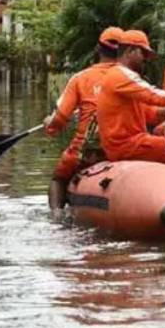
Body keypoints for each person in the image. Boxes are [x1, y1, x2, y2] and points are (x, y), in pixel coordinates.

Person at [43, 27, 124, 209]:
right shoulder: (133, 79)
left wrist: (50, 124)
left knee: (58, 179)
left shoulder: (80, 78)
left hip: (85, 152)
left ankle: (56, 216)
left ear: (97, 49)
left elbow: (60, 118)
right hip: (122, 148)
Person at [96, 29, 165, 164]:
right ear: (129, 51)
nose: (144, 59)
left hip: (129, 143)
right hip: (129, 145)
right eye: (143, 53)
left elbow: (149, 114)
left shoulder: (123, 79)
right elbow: (153, 95)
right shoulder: (120, 75)